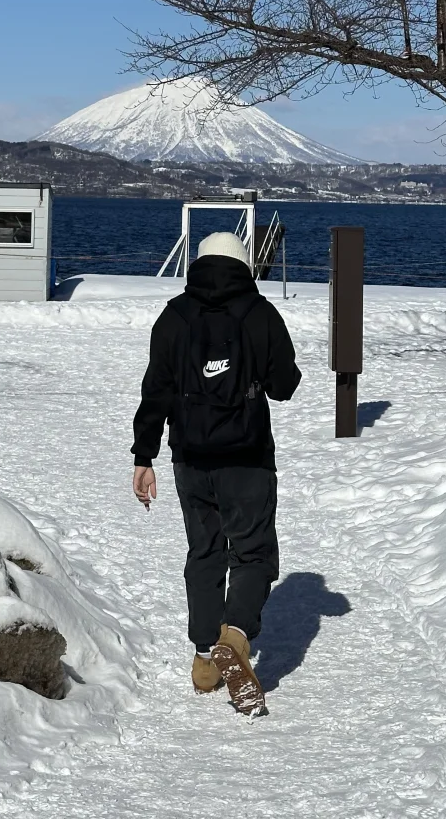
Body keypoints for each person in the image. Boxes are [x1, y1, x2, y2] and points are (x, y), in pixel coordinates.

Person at [132, 230, 301, 716]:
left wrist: (143, 458)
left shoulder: (174, 316)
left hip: (189, 456)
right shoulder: (260, 312)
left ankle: (206, 660)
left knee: (205, 552)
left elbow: (155, 393)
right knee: (252, 553)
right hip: (247, 457)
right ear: (243, 263)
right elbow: (284, 385)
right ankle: (237, 638)